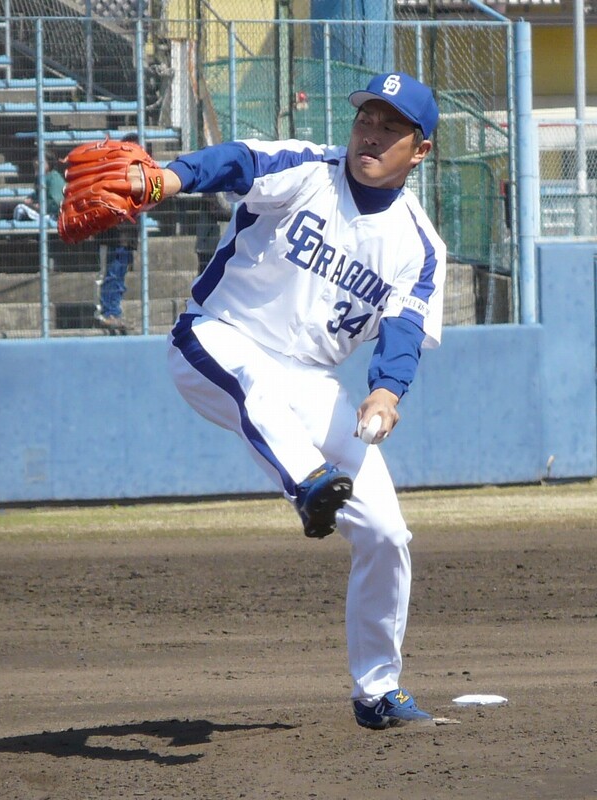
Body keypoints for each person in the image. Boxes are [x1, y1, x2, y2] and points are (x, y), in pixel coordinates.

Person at [133, 71, 446, 729]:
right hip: (218, 336)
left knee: (387, 534)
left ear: (420, 151)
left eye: (392, 127)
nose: (372, 133)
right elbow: (241, 162)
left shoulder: (419, 247)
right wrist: (171, 177)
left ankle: (377, 692)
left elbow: (406, 326)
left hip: (311, 382)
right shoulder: (309, 171)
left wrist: (388, 391)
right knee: (257, 386)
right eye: (367, 117)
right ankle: (307, 484)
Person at [94, 133, 140, 333]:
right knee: (113, 273)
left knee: (118, 274)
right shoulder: (116, 171)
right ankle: (109, 312)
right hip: (116, 233)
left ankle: (114, 311)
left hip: (126, 234)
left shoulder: (137, 171)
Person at [13, 149, 65, 223]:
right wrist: (31, 198)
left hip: (54, 216)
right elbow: (38, 194)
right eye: (35, 159)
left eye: (40, 159)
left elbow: (57, 204)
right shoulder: (42, 178)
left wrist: (36, 206)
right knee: (14, 207)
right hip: (43, 213)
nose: (36, 162)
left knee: (20, 209)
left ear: (49, 162)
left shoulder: (54, 177)